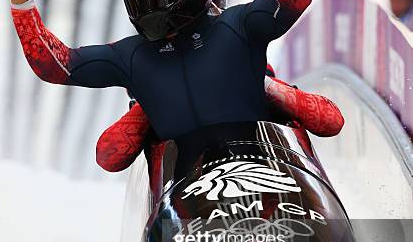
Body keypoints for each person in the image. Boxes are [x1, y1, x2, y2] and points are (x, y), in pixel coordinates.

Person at [8, 0, 312, 165]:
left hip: (266, 168)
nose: (153, 6)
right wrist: (23, 7)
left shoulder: (237, 25)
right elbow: (56, 66)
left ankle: (271, 92)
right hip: (188, 195)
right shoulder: (132, 55)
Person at [95, 62, 344, 172]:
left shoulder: (257, 81)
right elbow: (108, 158)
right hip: (194, 221)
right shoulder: (154, 102)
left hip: (280, 194)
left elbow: (332, 121)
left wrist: (264, 87)